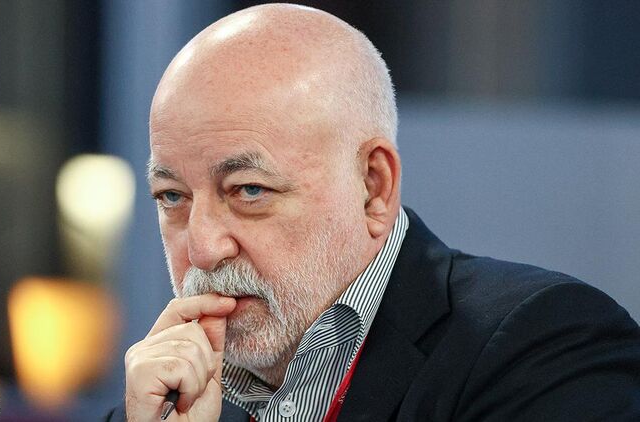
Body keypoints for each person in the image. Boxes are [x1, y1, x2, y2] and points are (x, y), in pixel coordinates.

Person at [105, 4, 640, 421]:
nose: (202, 249)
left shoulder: (542, 345)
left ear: (373, 188)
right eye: (171, 197)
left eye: (249, 190)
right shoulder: (163, 405)